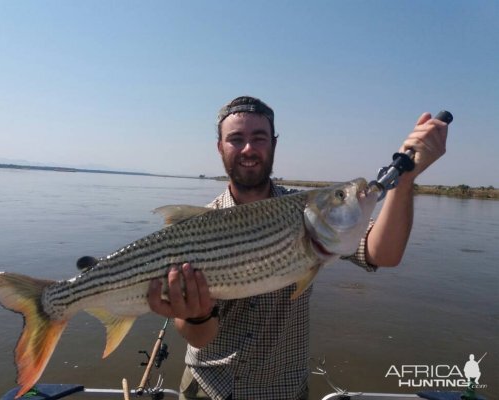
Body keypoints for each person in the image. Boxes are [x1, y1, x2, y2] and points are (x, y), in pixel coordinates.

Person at [148, 96, 448, 400]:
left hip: (285, 389)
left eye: (259, 138)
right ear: (220, 147)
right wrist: (196, 316)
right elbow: (198, 339)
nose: (248, 148)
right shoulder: (196, 229)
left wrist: (407, 179)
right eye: (236, 139)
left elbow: (383, 253)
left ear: (274, 144)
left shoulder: (310, 211)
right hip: (210, 389)